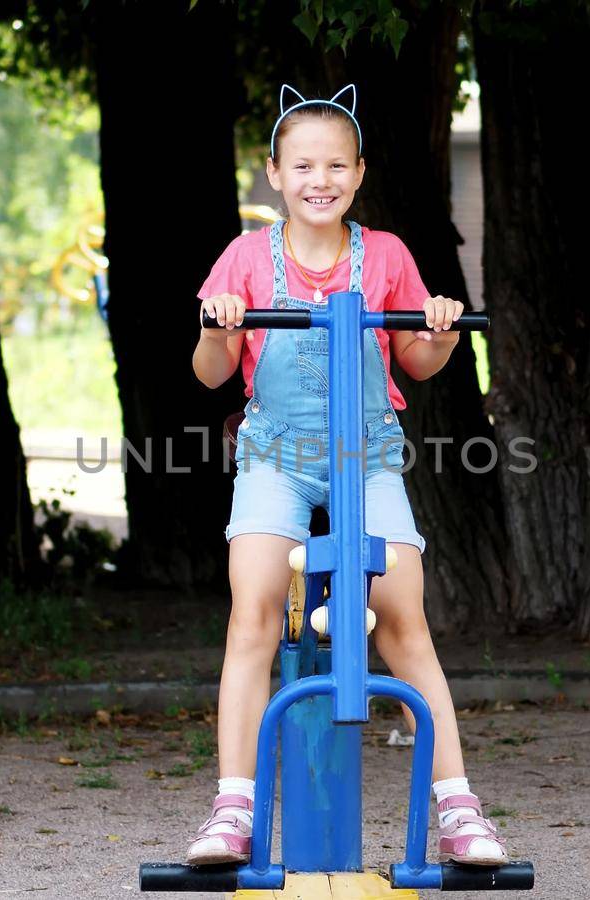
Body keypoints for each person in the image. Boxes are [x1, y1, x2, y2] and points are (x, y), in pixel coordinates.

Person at [185, 84, 509, 868]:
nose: (319, 179)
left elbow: (419, 363)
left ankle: (458, 811)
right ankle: (233, 809)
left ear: (358, 175)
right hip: (277, 459)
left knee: (403, 620)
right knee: (253, 614)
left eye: (335, 165)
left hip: (366, 460)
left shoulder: (388, 255)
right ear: (274, 174)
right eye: (303, 165)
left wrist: (440, 329)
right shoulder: (244, 258)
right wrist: (222, 325)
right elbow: (208, 374)